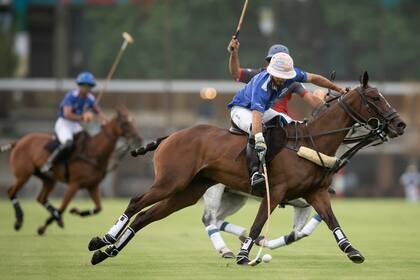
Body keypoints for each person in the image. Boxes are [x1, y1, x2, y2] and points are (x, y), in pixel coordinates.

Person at [227, 50, 346, 189]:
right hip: (241, 109)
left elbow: (315, 78)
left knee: (292, 123)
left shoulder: (293, 75)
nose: (282, 79)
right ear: (271, 72)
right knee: (258, 132)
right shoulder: (262, 85)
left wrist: (338, 89)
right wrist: (259, 138)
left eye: (285, 76)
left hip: (263, 110)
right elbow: (256, 116)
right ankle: (255, 173)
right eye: (279, 76)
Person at [40, 72, 108, 174]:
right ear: (79, 85)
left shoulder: (90, 98)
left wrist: (105, 121)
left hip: (75, 125)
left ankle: (80, 165)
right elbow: (67, 114)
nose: (86, 88)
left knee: (87, 141)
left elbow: (98, 111)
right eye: (84, 85)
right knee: (68, 142)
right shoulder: (71, 96)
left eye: (89, 86)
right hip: (64, 123)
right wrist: (83, 117)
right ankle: (49, 163)